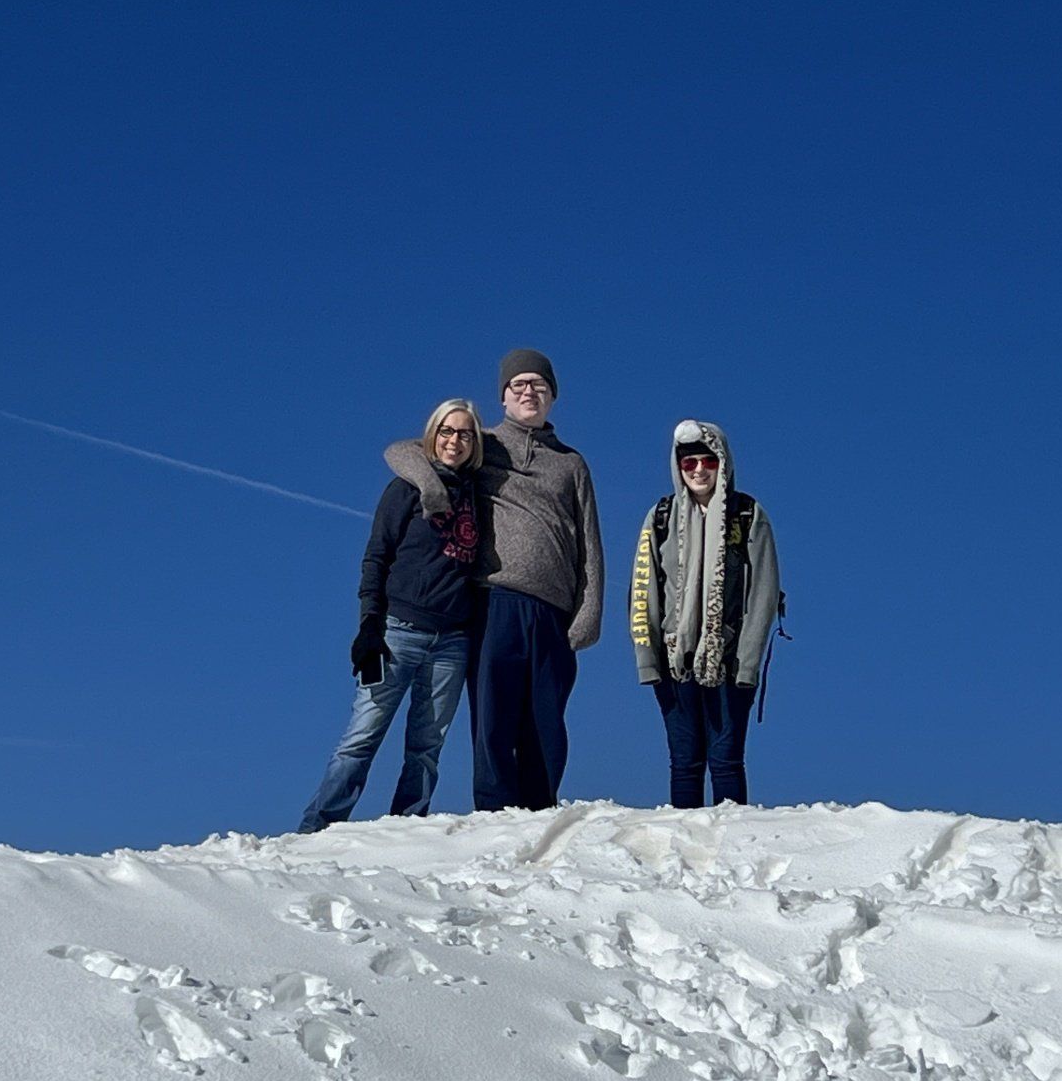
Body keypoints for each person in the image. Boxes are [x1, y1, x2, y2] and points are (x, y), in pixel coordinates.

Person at [385, 349, 603, 811]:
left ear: (552, 398)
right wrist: (431, 485)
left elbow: (590, 543)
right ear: (503, 396)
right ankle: (495, 813)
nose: (529, 392)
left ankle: (540, 807)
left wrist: (589, 613)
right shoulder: (483, 446)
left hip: (554, 611)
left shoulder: (571, 464)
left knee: (545, 719)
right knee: (493, 716)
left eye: (539, 386)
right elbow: (402, 451)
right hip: (494, 600)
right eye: (519, 385)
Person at [298, 400, 483, 834]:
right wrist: (369, 623)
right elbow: (376, 557)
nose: (454, 441)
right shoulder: (405, 488)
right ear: (432, 434)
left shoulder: (480, 492)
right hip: (399, 629)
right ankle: (317, 828)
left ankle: (405, 829)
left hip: (452, 638)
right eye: (446, 431)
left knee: (427, 745)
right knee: (362, 736)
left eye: (464, 434)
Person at [630, 419, 781, 808]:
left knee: (726, 760)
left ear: (723, 462)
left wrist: (747, 664)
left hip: (728, 661)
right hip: (673, 660)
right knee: (684, 763)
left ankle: (730, 850)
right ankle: (684, 850)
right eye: (689, 462)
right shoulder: (660, 517)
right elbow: (643, 591)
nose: (698, 470)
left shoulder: (747, 515)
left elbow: (762, 592)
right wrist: (648, 660)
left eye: (708, 461)